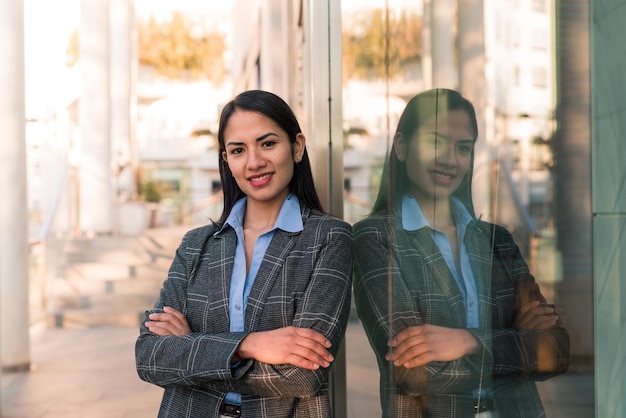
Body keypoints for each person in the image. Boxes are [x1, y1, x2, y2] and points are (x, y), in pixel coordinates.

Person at [352, 88, 569, 417]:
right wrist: (515, 338)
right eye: (435, 142)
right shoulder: (376, 238)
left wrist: (468, 340)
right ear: (401, 146)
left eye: (463, 147)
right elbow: (417, 372)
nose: (450, 159)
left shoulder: (497, 240)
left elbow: (555, 350)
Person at [135, 89, 352, 417]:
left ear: (296, 147)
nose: (254, 162)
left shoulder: (331, 238)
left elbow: (304, 375)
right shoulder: (197, 244)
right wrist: (250, 344)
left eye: (268, 144)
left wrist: (192, 347)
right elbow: (151, 357)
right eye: (238, 150)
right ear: (227, 160)